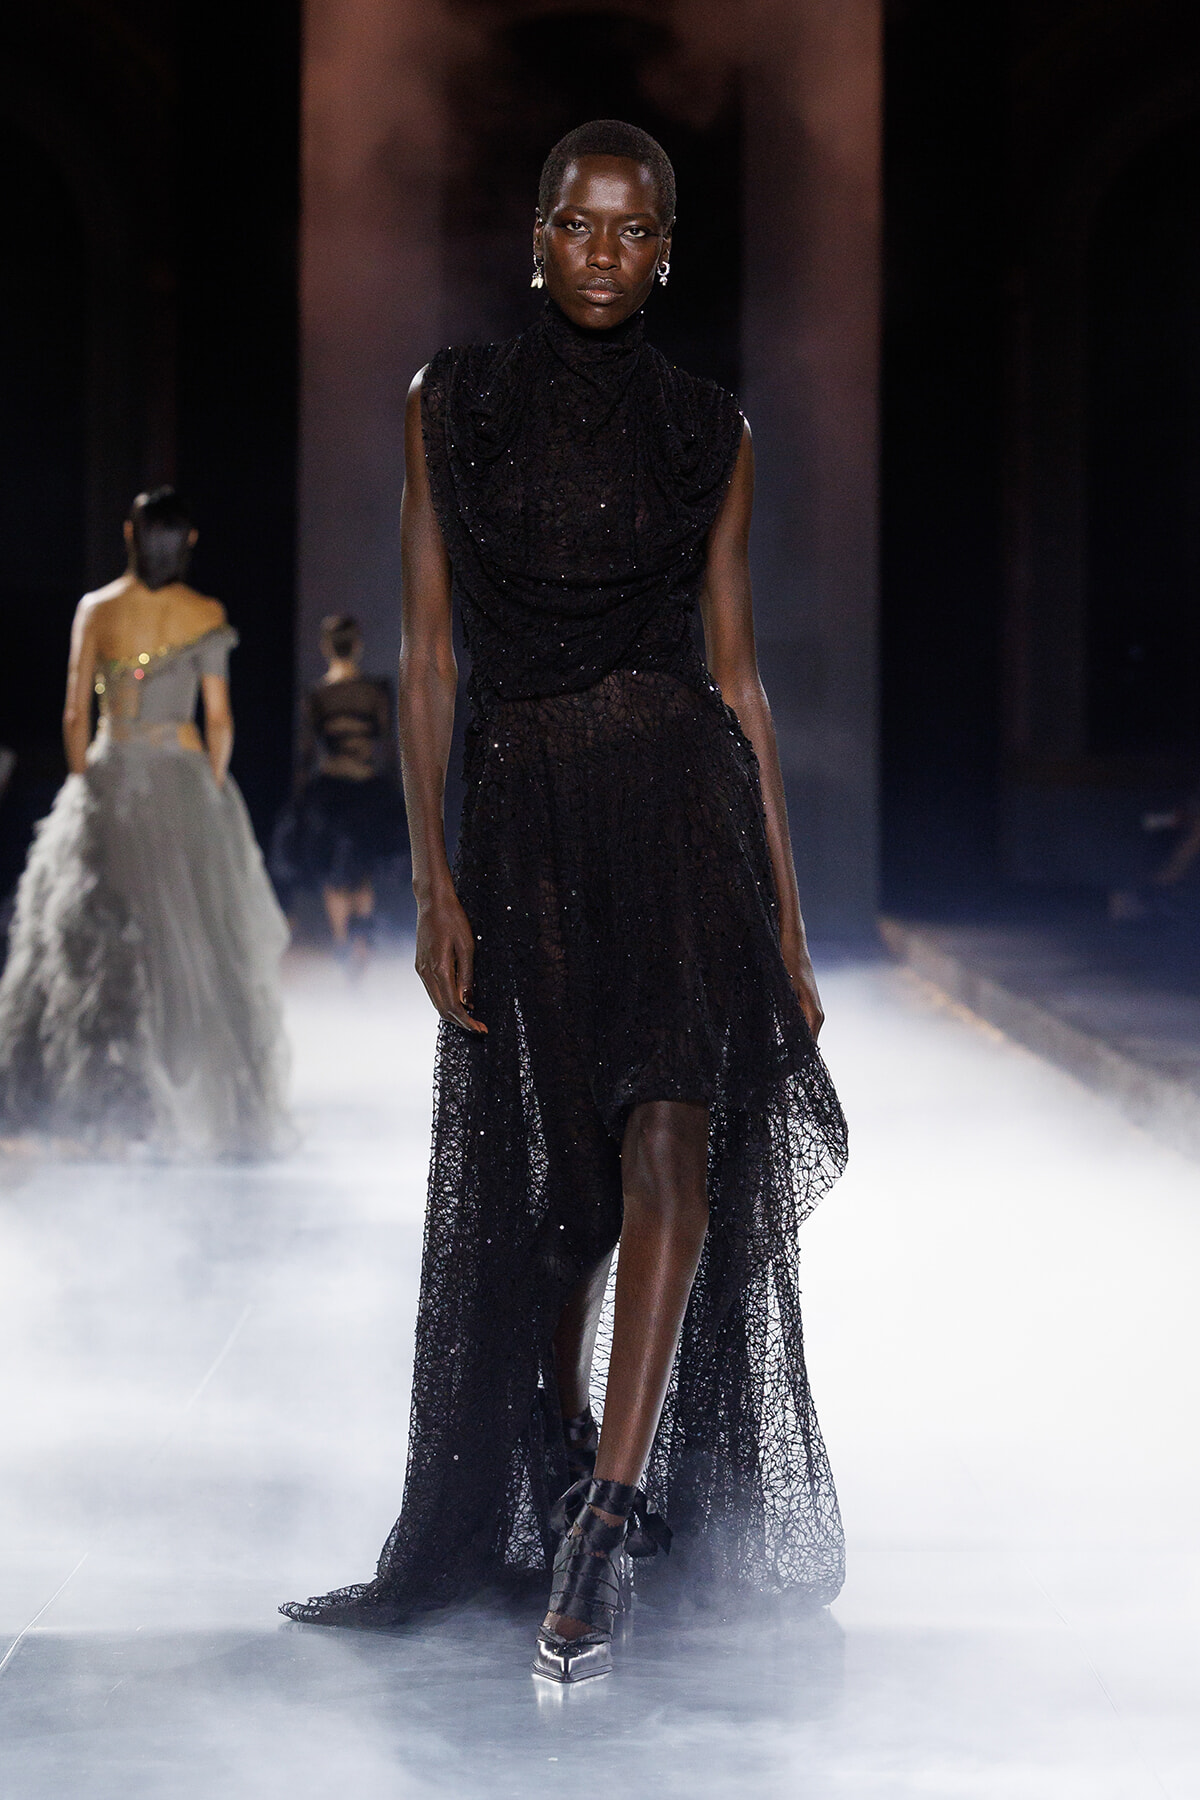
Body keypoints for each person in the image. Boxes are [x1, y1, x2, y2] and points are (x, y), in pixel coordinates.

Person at [282, 121, 847, 1680]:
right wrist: (429, 874)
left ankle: (602, 1517)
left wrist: (787, 924)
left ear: (670, 248)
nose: (605, 251)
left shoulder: (708, 429)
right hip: (525, 828)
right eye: (579, 226)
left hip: (680, 819)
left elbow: (737, 681)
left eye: (636, 228)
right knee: (568, 1204)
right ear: (535, 237)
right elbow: (431, 653)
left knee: (674, 1140)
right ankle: (555, 1431)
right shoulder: (448, 406)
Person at [0, 488, 290, 1159]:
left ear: (130, 534)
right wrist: (212, 791)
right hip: (184, 782)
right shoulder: (204, 612)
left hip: (112, 778)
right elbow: (218, 720)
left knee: (102, 950)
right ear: (187, 541)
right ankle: (186, 1109)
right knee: (192, 949)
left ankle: (108, 1112)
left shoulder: (97, 609)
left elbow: (76, 714)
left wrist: (86, 785)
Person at [270, 615, 406, 966]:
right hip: (368, 789)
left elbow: (306, 753)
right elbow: (389, 746)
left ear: (325, 647)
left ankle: (345, 942)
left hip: (329, 793)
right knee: (361, 870)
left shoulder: (317, 695)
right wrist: (392, 791)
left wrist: (299, 803)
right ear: (358, 645)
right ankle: (360, 942)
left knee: (334, 874)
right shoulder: (377, 691)